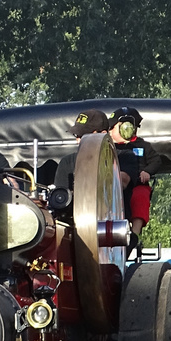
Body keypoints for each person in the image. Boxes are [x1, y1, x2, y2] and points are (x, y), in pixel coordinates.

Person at [107, 106, 161, 254]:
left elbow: (156, 161)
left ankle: (134, 235)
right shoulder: (108, 148)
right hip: (115, 189)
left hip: (137, 185)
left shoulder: (143, 145)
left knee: (140, 196)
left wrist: (147, 171)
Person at [53, 108, 109, 190]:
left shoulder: (121, 157)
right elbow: (62, 198)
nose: (78, 141)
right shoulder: (67, 162)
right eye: (76, 136)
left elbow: (122, 182)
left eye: (83, 135)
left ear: (103, 134)